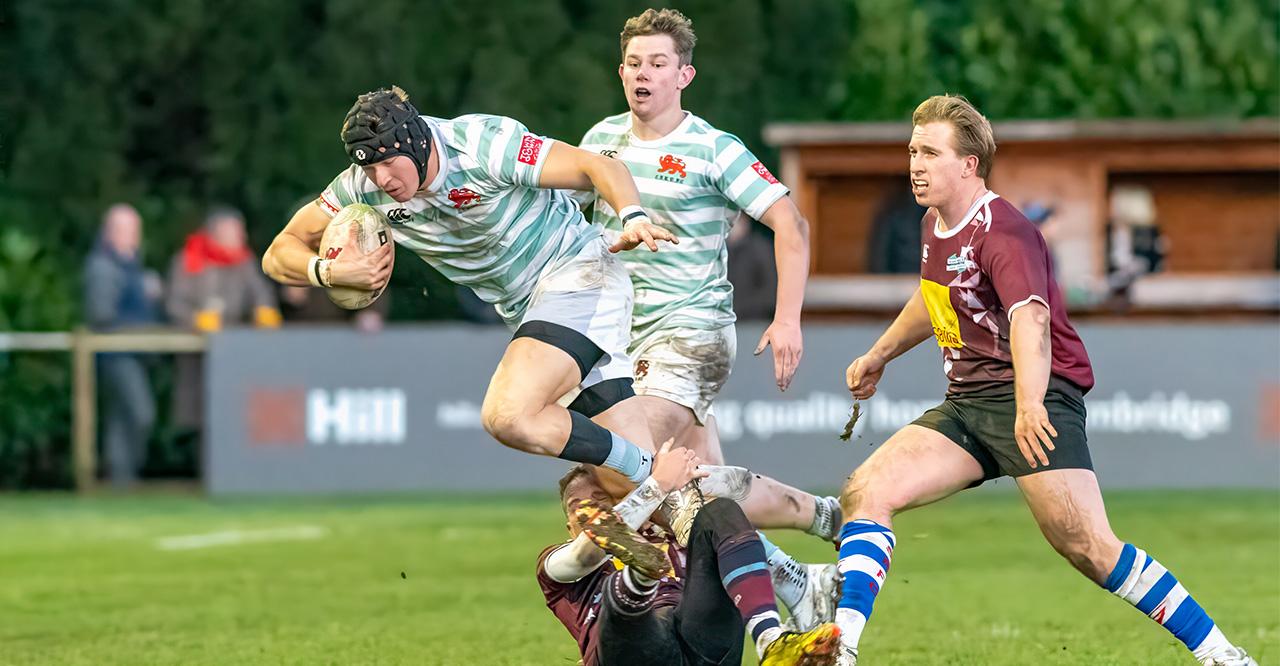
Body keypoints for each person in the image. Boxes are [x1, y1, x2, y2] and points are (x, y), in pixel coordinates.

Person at [829, 95, 1257, 666]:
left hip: (1034, 395)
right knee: (866, 492)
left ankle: (1223, 655)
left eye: (930, 152)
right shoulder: (934, 223)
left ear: (968, 165)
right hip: (968, 404)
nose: (916, 164)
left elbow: (1029, 318)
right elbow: (935, 297)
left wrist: (1030, 405)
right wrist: (881, 353)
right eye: (912, 151)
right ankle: (840, 648)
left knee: (1088, 547)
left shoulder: (1004, 230)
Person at [262, 86, 678, 495]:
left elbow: (597, 167)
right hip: (531, 309)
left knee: (508, 414)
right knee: (645, 498)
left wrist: (633, 216)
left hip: (578, 275)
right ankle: (696, 495)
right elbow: (278, 252)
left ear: (417, 141)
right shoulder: (361, 186)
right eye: (370, 169)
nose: (381, 179)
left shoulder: (482, 145)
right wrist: (329, 271)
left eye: (388, 163)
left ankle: (629, 489)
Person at [574, 8, 840, 598]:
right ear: (622, 71)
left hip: (691, 332)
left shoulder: (713, 149)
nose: (645, 74)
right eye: (635, 63)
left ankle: (801, 552)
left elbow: (790, 223)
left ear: (683, 76)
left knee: (621, 464)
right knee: (702, 495)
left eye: (659, 64)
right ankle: (821, 533)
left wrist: (789, 317)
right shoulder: (600, 141)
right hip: (621, 336)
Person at [537, 439, 841, 666]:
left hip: (702, 642)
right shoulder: (556, 566)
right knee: (619, 608)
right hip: (632, 653)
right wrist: (659, 483)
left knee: (721, 513)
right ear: (567, 526)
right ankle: (640, 573)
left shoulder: (678, 538)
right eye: (581, 506)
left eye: (604, 500)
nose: (596, 509)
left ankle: (771, 641)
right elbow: (583, 555)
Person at [168, 206, 282, 434]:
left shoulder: (244, 262)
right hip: (195, 349)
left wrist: (265, 310)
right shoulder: (187, 260)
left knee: (231, 411)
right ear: (218, 232)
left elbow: (261, 293)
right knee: (198, 411)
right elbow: (173, 302)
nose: (243, 237)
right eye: (237, 231)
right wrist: (195, 320)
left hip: (232, 351)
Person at [83, 203, 163, 487]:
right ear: (109, 232)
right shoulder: (103, 267)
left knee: (120, 416)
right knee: (141, 413)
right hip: (116, 353)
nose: (131, 235)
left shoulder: (133, 264)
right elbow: (100, 314)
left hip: (134, 352)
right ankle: (124, 474)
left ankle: (122, 479)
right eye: (125, 229)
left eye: (134, 229)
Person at [726, 214, 777, 321]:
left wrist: (738, 309)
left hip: (755, 322)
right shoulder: (718, 250)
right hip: (725, 322)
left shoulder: (761, 248)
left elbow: (771, 292)